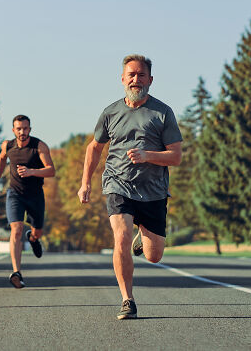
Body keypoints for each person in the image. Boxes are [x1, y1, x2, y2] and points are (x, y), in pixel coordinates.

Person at [77, 54, 182, 319]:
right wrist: (85, 182)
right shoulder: (110, 112)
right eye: (131, 75)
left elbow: (176, 157)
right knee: (120, 237)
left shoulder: (163, 112)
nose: (136, 80)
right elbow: (95, 147)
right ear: (123, 79)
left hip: (154, 191)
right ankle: (127, 300)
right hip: (118, 184)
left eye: (141, 75)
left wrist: (148, 156)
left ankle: (143, 233)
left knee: (154, 256)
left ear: (150, 80)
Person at [0, 114, 55, 288]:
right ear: (13, 130)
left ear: (30, 129)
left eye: (25, 128)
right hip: (15, 194)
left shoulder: (39, 146)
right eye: (19, 129)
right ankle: (16, 272)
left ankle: (33, 239)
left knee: (37, 232)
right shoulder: (8, 145)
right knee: (16, 228)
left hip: (35, 195)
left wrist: (32, 171)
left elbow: (51, 170)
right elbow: (1, 159)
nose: (22, 132)